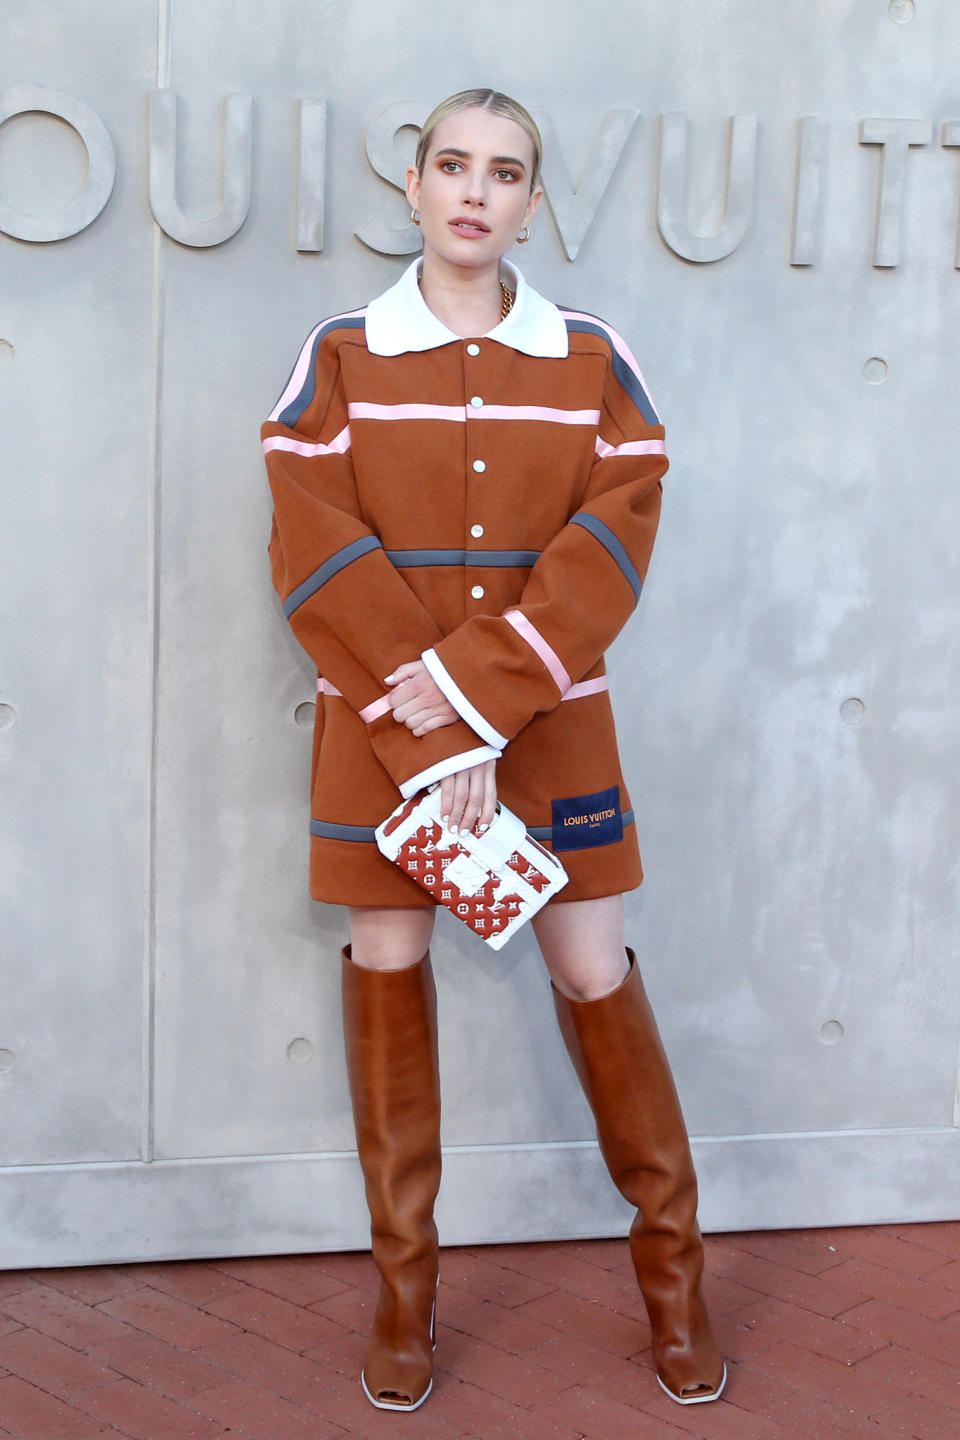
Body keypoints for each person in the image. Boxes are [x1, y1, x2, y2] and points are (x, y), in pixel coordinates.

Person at [261, 88, 726, 1413]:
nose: (475, 189)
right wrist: (429, 729)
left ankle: (676, 1287)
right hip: (382, 729)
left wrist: (475, 703)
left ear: (534, 201)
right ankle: (403, 1299)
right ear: (412, 186)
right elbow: (307, 539)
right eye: (452, 165)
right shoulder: (339, 356)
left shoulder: (591, 359)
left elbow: (615, 539)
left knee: (593, 967)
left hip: (551, 723)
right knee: (386, 962)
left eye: (505, 171)